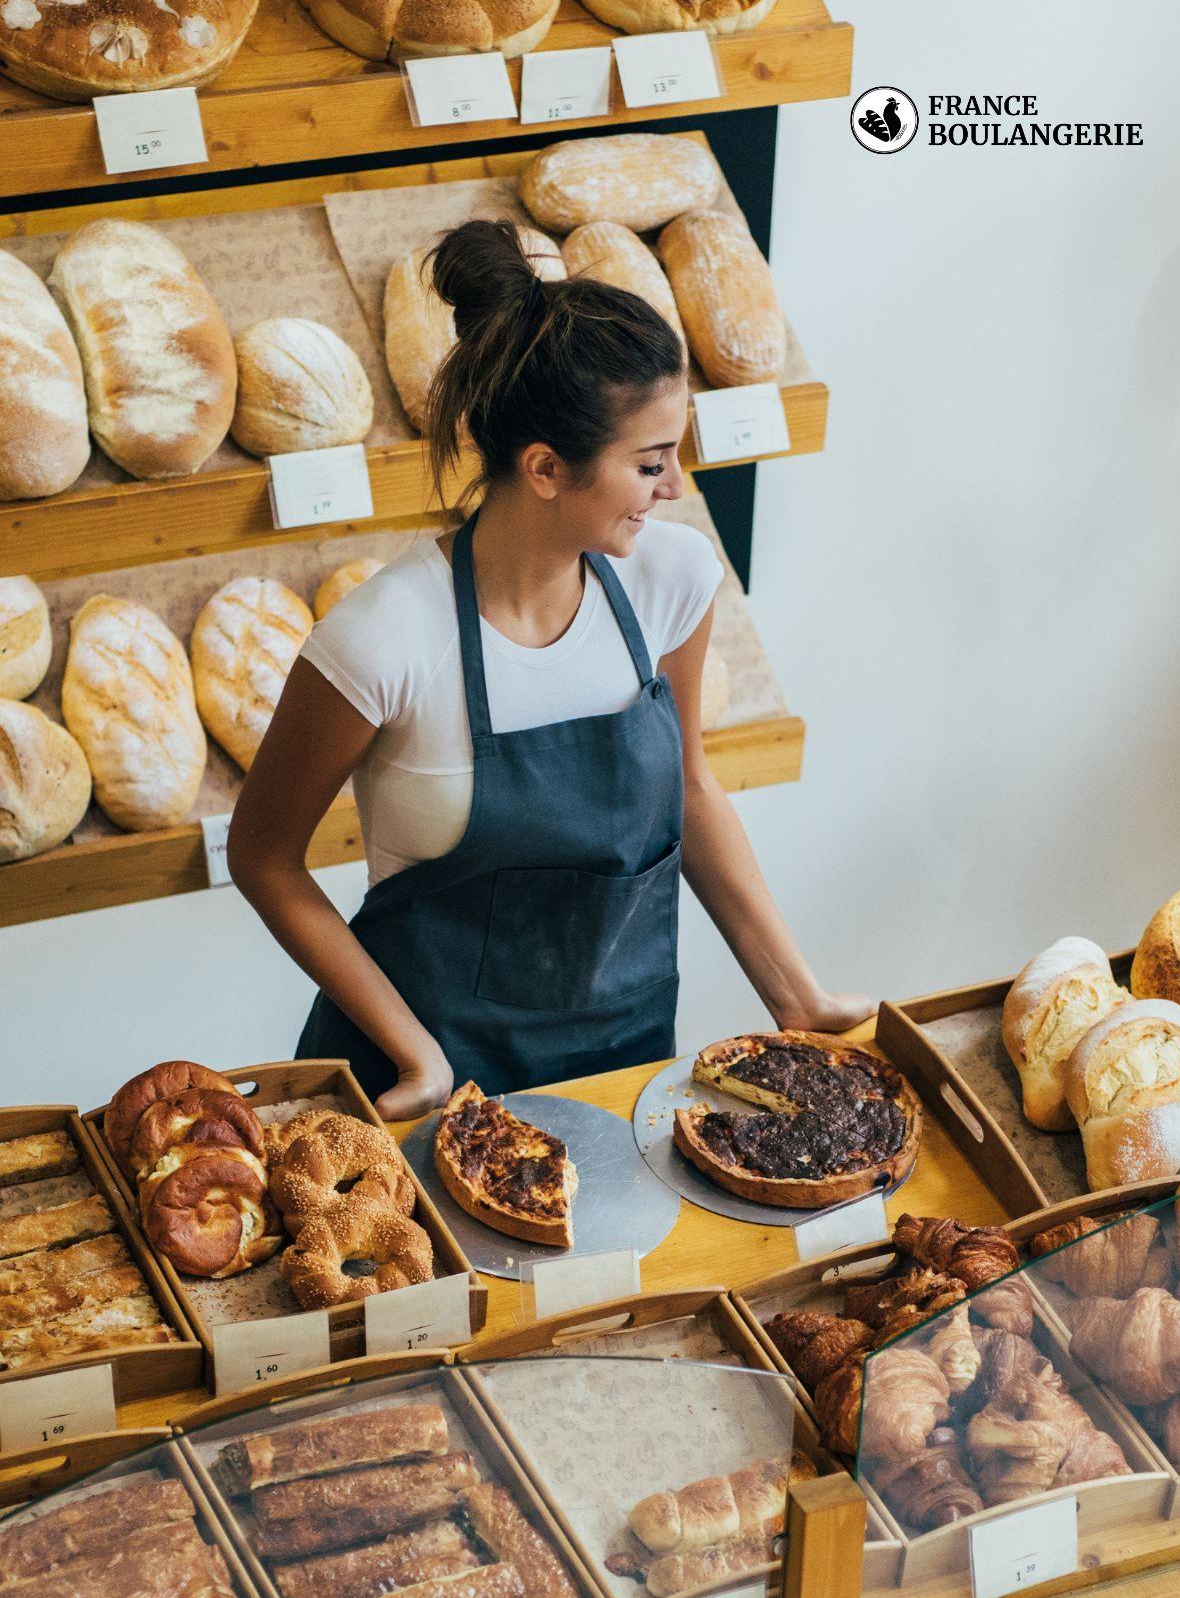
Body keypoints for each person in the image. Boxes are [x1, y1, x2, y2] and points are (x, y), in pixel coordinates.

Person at [230, 220, 870, 1118]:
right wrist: (414, 1053)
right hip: (422, 1091)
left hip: (621, 1071)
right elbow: (262, 856)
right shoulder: (385, 640)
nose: (676, 488)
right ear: (544, 467)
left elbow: (688, 787)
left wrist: (797, 995)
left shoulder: (671, 580)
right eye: (650, 463)